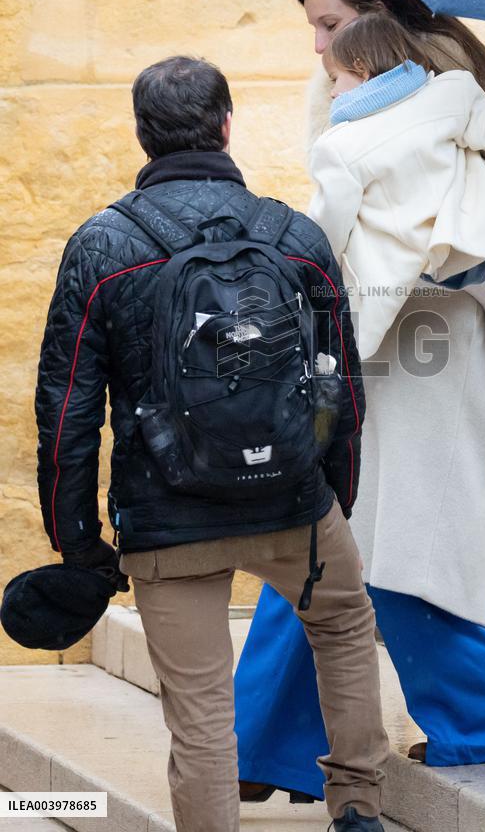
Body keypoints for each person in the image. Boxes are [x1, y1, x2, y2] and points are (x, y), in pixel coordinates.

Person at [34, 55, 390, 832]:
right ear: (227, 126)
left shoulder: (102, 245)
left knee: (199, 709)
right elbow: (338, 383)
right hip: (293, 504)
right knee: (342, 629)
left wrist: (79, 542)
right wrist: (332, 495)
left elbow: (67, 413)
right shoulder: (293, 235)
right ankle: (358, 805)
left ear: (142, 134)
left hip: (168, 517)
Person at [233, 0, 485, 804]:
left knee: (401, 554)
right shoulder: (351, 87)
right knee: (324, 545)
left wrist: (436, 252)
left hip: (434, 353)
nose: (317, 46)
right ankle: (264, 746)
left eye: (329, 24)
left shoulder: (460, 93)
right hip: (363, 345)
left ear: (376, 19)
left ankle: (478, 726)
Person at [312, 12, 485, 431]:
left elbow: (331, 221)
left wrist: (319, 258)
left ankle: (329, 397)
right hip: (464, 241)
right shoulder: (450, 92)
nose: (331, 92)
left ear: (361, 69)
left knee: (348, 334)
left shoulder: (339, 144)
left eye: (335, 78)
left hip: (403, 266)